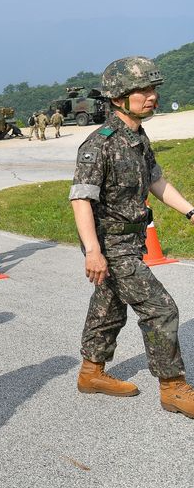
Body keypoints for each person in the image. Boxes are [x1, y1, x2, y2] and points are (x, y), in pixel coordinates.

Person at [70, 56, 194, 419]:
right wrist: (93, 251)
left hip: (130, 241)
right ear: (118, 97)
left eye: (153, 89)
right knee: (161, 308)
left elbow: (156, 180)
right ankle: (173, 388)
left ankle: (91, 372)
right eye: (143, 90)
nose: (152, 96)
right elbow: (81, 199)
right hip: (111, 245)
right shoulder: (99, 144)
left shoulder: (138, 137)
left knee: (109, 305)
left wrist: (190, 211)